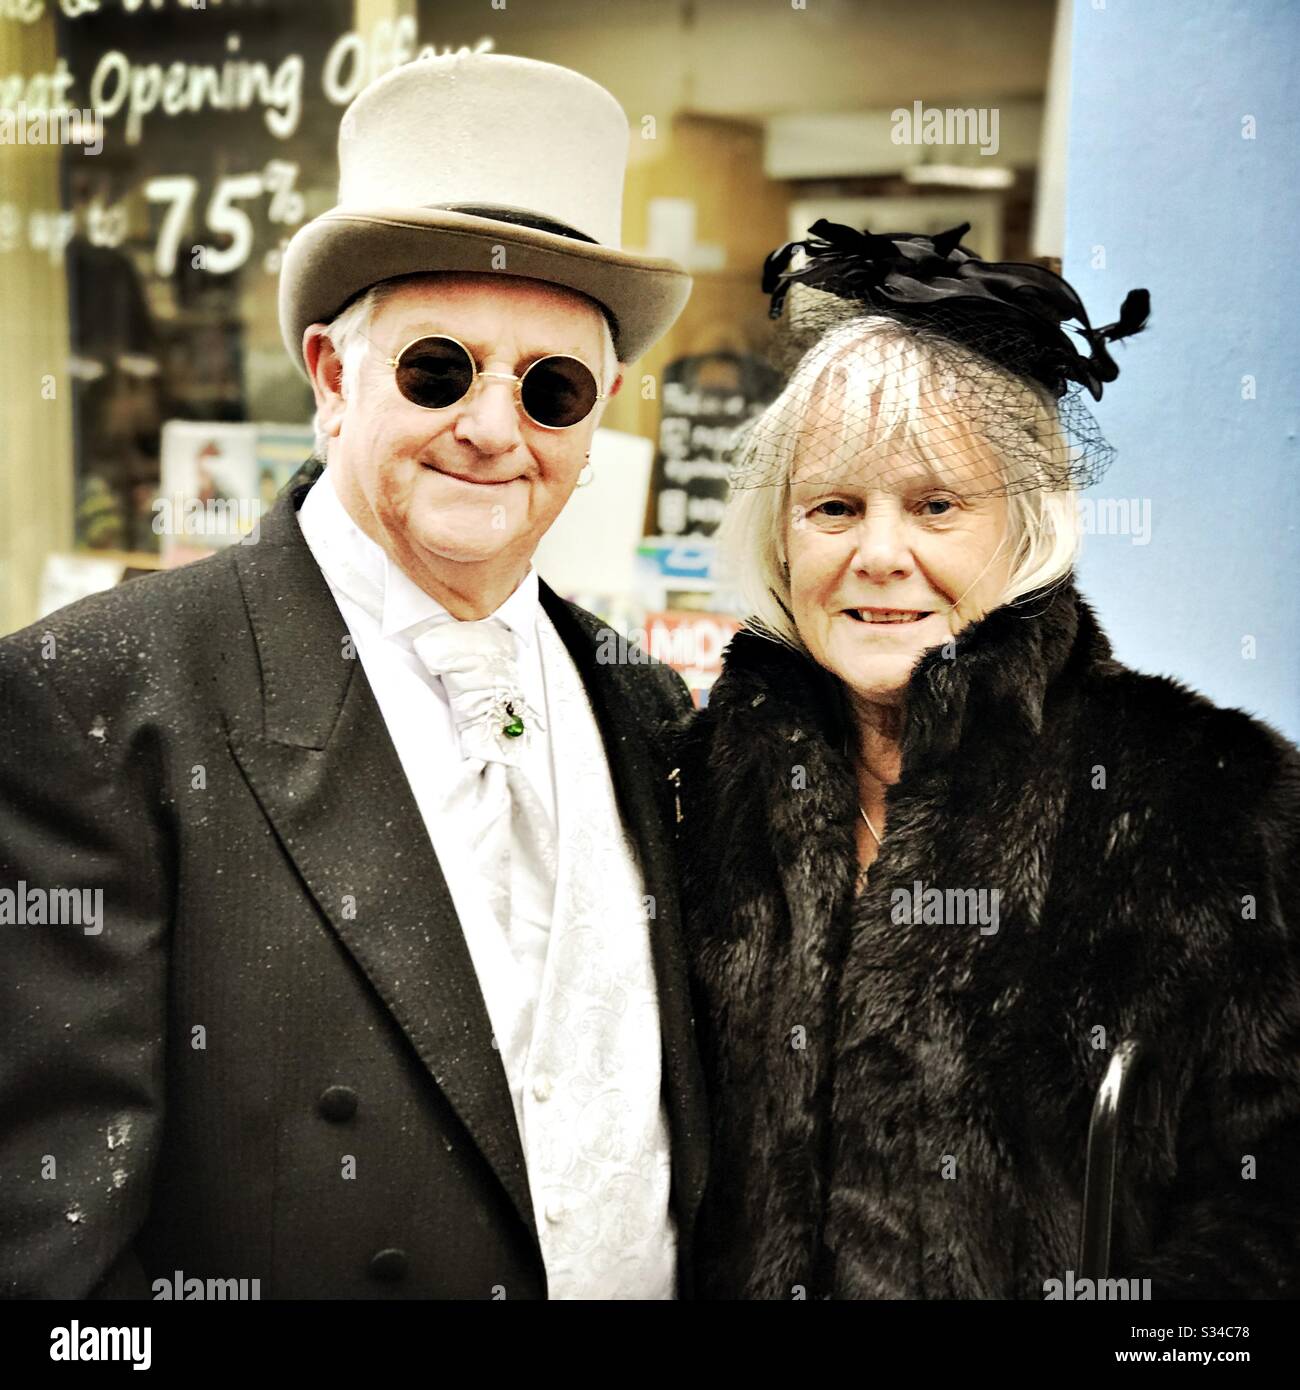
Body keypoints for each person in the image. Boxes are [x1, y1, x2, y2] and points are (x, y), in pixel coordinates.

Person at [0, 53, 707, 1300]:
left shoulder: (645, 706)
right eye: (439, 369)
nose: (494, 430)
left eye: (552, 390)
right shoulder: (99, 696)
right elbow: (51, 1249)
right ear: (332, 378)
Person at [671, 220, 1300, 1299]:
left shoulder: (1207, 796)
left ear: (1025, 528)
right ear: (779, 535)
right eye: (833, 505)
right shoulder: (688, 785)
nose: (877, 553)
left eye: (934, 506)